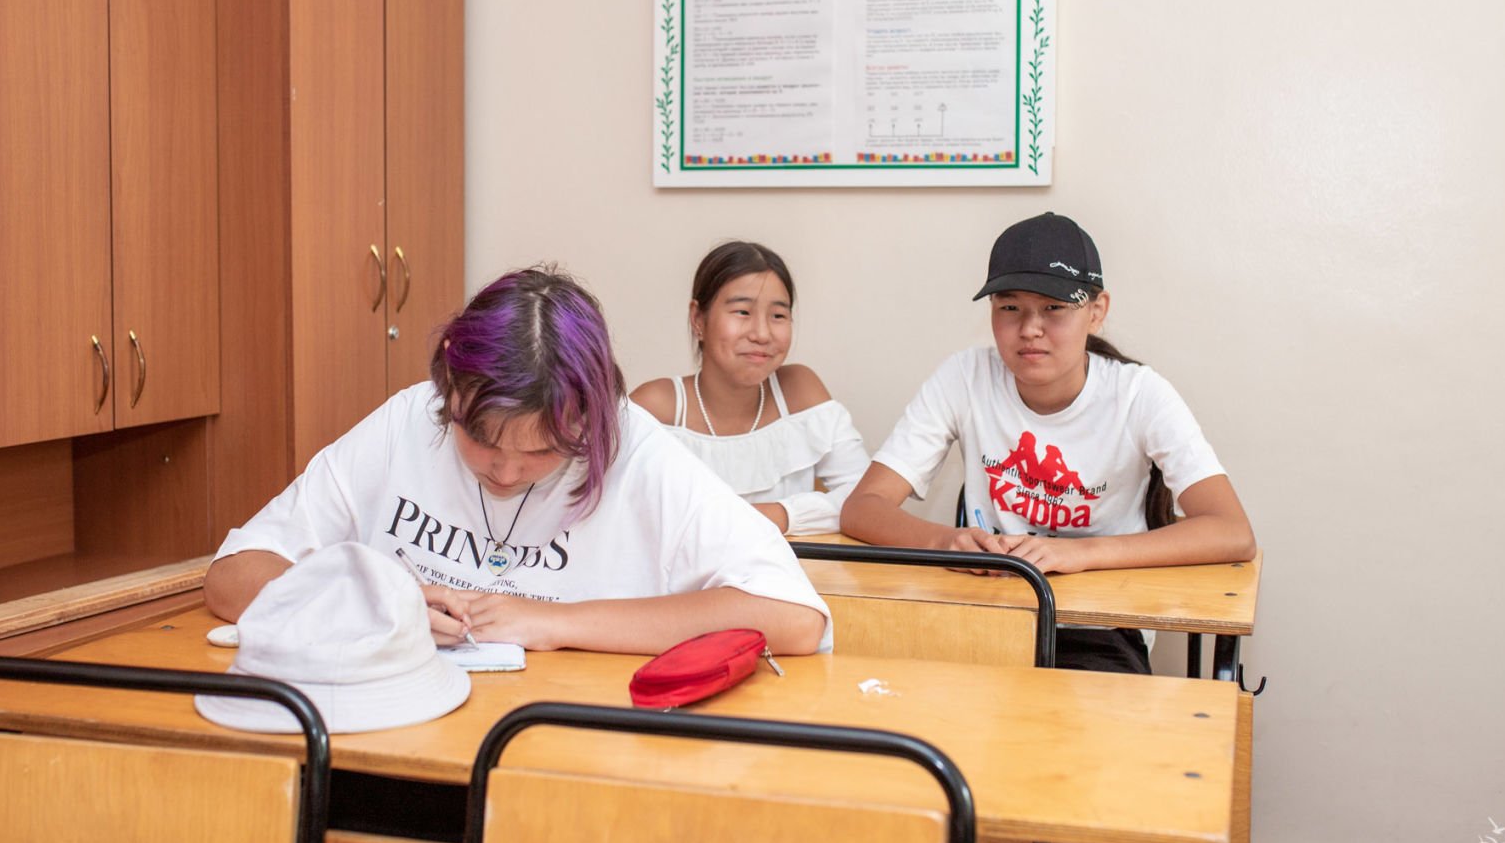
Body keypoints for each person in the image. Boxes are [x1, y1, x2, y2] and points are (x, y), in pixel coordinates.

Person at [205, 266, 830, 656]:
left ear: (594, 416)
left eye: (542, 451)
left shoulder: (638, 452)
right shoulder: (407, 421)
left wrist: (554, 622)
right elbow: (233, 576)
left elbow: (794, 618)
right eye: (478, 438)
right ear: (448, 393)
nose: (504, 472)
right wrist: (380, 602)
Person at [840, 212, 1255, 673]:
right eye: (1009, 307)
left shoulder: (1139, 394)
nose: (1029, 329)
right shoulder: (964, 377)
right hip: (986, 614)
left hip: (1099, 627)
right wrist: (946, 542)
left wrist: (1080, 553)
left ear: (1096, 311)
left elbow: (1232, 532)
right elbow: (862, 508)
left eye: (1054, 308)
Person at [630, 241, 870, 536]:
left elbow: (867, 499)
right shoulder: (657, 408)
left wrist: (777, 515)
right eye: (742, 312)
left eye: (778, 316)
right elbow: (617, 515)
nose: (762, 334)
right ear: (698, 319)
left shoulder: (799, 392)